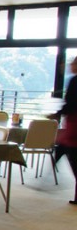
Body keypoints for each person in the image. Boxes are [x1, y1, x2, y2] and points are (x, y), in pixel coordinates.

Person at [50, 55, 77, 204]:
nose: (70, 66)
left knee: (68, 150)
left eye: (73, 64)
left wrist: (57, 113)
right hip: (72, 126)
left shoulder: (75, 81)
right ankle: (48, 175)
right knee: (63, 148)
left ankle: (48, 177)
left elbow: (70, 103)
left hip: (74, 126)